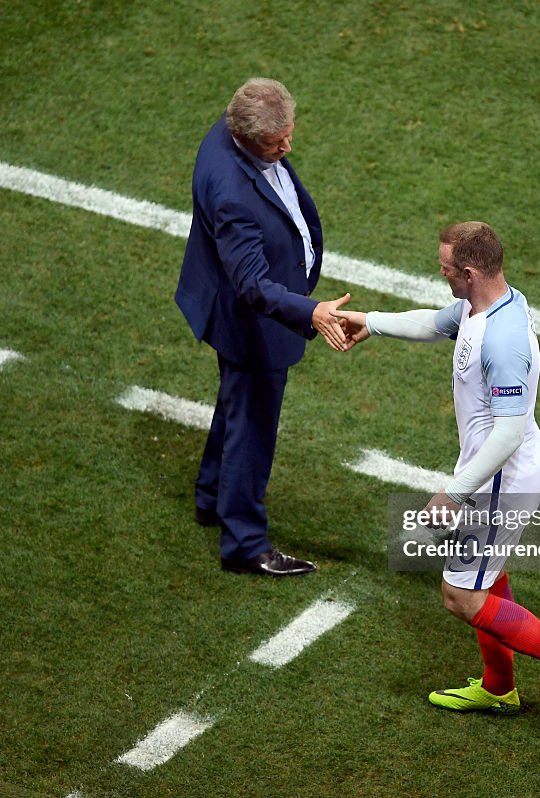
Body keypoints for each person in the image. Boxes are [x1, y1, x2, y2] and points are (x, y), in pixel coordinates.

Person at [334, 221, 540, 729]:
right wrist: (371, 322)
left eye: (445, 271)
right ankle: (498, 688)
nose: (441, 278)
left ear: (469, 271)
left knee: (461, 594)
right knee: (488, 575)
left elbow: (508, 434)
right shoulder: (484, 304)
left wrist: (456, 493)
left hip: (501, 477)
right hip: (487, 471)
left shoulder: (504, 340)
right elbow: (436, 322)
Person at [175, 77, 352, 577]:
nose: (288, 147)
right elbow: (251, 284)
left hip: (243, 310)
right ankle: (245, 544)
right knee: (252, 427)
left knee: (236, 406)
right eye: (277, 143)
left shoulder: (232, 131)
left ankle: (212, 497)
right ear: (247, 138)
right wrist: (309, 310)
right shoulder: (231, 193)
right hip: (252, 322)